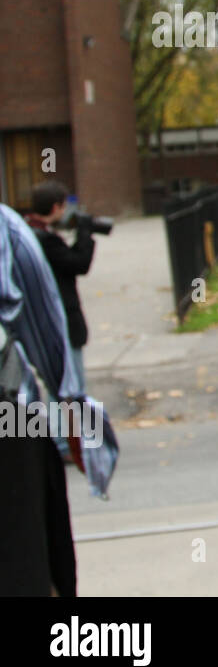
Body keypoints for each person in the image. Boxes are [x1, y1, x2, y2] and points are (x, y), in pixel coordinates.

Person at [0, 203, 118, 594]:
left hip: (12, 408)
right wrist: (75, 416)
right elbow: (46, 328)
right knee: (24, 550)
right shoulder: (6, 225)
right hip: (10, 407)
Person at [24, 181, 96, 417]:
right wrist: (85, 234)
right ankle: (70, 442)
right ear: (55, 207)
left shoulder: (29, 234)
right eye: (64, 207)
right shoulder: (46, 240)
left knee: (58, 385)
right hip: (62, 318)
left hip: (44, 318)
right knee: (70, 386)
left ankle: (64, 442)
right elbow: (78, 264)